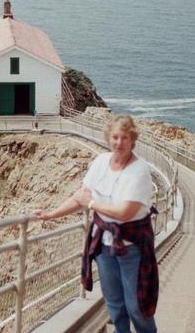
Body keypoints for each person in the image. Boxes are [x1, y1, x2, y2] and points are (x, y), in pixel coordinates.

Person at [34, 115, 158, 333]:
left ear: (133, 140)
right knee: (114, 304)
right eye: (115, 137)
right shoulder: (101, 162)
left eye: (124, 138)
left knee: (137, 307)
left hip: (133, 246)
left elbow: (124, 213)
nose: (119, 142)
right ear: (109, 138)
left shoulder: (139, 171)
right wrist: (51, 214)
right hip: (104, 244)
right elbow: (80, 196)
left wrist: (92, 204)